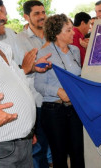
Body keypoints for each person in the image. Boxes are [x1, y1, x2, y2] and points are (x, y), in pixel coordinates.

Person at [0, 0, 50, 167]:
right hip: (0, 148)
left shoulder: (2, 48)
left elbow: (15, 84)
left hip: (21, 142)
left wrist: (29, 69)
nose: (4, 16)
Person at [35, 14, 85, 168]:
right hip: (54, 111)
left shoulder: (75, 50)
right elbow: (38, 84)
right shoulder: (45, 53)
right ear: (57, 33)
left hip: (76, 108)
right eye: (68, 30)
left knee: (78, 152)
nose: (73, 33)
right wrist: (58, 91)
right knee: (59, 155)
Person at [16, 0, 51, 168]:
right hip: (35, 101)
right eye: (36, 13)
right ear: (26, 16)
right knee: (38, 150)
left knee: (56, 147)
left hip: (54, 99)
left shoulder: (51, 34)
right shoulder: (19, 40)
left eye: (43, 12)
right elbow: (26, 68)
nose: (42, 16)